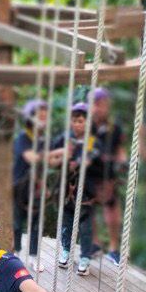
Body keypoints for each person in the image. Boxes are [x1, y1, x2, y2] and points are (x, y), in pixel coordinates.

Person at [11, 99, 63, 263]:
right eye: (40, 117)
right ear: (31, 118)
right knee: (17, 224)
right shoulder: (23, 137)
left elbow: (51, 162)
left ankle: (33, 256)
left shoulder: (45, 139)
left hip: (38, 187)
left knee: (35, 224)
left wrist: (64, 156)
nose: (43, 121)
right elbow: (31, 158)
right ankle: (17, 254)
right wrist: (57, 152)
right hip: (19, 187)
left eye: (45, 117)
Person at [53, 102, 100, 275]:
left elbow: (93, 160)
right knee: (66, 224)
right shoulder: (65, 139)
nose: (77, 124)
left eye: (81, 121)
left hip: (88, 191)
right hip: (67, 190)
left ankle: (85, 257)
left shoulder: (94, 142)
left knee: (86, 227)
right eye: (74, 120)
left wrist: (77, 162)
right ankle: (66, 250)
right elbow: (53, 157)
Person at [89, 87, 127, 263]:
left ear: (107, 106)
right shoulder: (85, 126)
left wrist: (124, 162)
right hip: (89, 174)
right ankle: (95, 243)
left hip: (108, 175)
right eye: (95, 104)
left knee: (111, 210)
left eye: (101, 104)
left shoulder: (114, 128)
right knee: (87, 208)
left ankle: (113, 248)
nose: (98, 108)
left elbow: (120, 151)